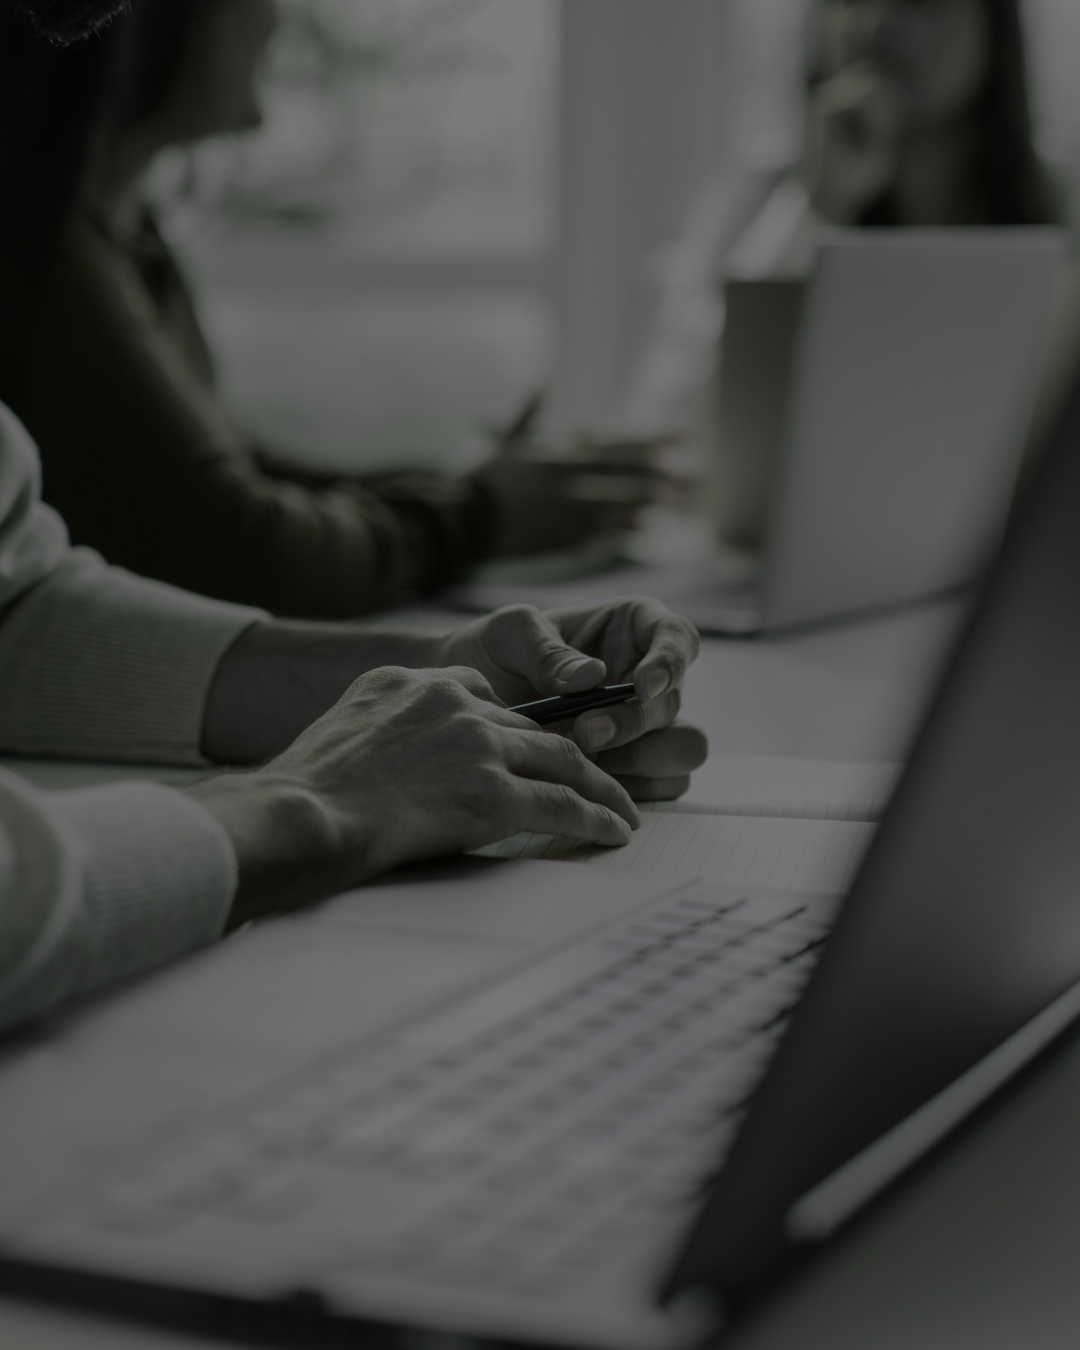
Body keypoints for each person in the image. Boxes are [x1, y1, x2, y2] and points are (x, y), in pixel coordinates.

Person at [3, 0, 663, 620]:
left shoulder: (127, 233)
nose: (276, 15)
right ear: (164, 22)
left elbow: (228, 469)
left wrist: (465, 487)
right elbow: (247, 548)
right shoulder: (54, 263)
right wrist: (476, 514)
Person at [615, 0, 1058, 441]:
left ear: (993, 29)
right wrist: (815, 209)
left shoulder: (1063, 211)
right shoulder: (756, 202)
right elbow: (660, 427)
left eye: (921, 2)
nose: (879, 22)